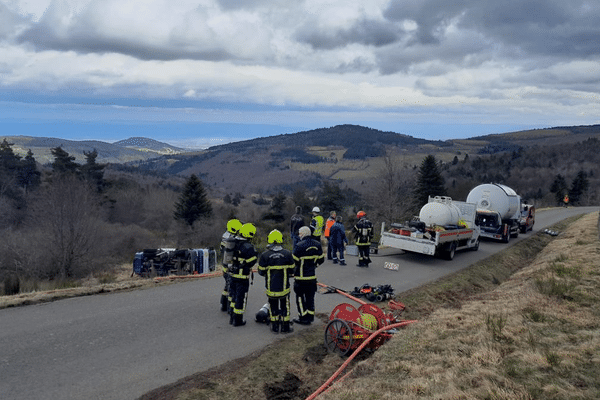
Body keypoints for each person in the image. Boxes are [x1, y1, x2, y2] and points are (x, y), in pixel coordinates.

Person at [258, 229, 296, 334]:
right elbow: (293, 269)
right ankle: (285, 328)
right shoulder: (287, 254)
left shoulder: (265, 255)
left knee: (273, 306)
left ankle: (274, 327)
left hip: (271, 289)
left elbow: (261, 272)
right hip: (284, 288)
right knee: (285, 307)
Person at [292, 226, 324, 325]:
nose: (299, 235)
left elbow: (294, 261)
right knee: (310, 298)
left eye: (300, 233)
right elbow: (321, 259)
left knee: (300, 298)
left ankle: (303, 318)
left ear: (303, 234)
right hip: (312, 277)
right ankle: (310, 317)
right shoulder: (317, 244)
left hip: (300, 278)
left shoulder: (299, 246)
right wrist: (314, 265)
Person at [228, 222, 258, 327]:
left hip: (232, 275)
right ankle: (238, 320)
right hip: (242, 277)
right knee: (241, 298)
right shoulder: (248, 247)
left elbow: (227, 258)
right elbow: (252, 261)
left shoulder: (233, 242)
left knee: (233, 297)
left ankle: (232, 318)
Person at [219, 218, 243, 312]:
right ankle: (229, 307)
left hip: (225, 265)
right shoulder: (231, 240)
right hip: (229, 266)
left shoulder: (225, 236)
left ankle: (223, 304)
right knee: (231, 287)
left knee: (226, 286)